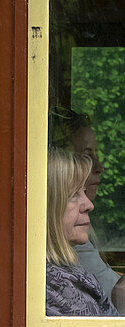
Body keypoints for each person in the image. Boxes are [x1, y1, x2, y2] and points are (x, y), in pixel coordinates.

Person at [49, 107, 121, 298]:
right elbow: (113, 293)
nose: (99, 167)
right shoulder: (67, 230)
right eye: (87, 155)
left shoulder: (76, 226)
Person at [45, 147, 119, 316]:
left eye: (84, 192)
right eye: (73, 195)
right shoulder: (58, 288)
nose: (89, 205)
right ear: (47, 207)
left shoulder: (67, 273)